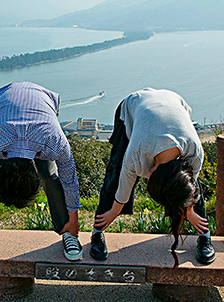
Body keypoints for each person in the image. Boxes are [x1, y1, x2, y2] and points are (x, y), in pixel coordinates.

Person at [90, 88, 215, 267]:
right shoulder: (136, 152)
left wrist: (190, 212)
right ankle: (97, 233)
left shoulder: (194, 152)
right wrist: (114, 211)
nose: (147, 177)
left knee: (187, 186)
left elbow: (190, 187)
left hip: (174, 103)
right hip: (134, 104)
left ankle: (204, 236)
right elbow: (125, 184)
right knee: (115, 173)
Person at [0, 81, 83, 261]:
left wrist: (74, 220)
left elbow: (69, 179)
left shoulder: (53, 141)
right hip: (2, 98)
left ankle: (68, 232)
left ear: (34, 169)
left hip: (45, 100)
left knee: (50, 175)